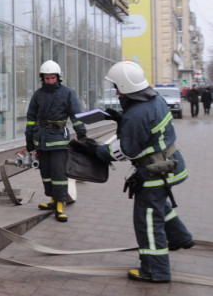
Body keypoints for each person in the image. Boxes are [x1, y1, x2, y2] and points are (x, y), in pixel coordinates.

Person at [71, 61, 193, 283]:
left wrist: (94, 149)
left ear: (127, 88)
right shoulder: (155, 99)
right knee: (159, 205)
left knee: (147, 219)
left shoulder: (136, 114)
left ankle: (155, 271)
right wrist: (119, 119)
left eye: (118, 87)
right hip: (171, 163)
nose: (117, 92)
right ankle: (179, 237)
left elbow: (125, 151)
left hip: (155, 172)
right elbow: (147, 129)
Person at [24, 60, 87, 222]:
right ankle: (52, 201)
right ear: (42, 78)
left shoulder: (67, 93)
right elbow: (31, 119)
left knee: (59, 174)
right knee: (46, 174)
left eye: (53, 78)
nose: (50, 81)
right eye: (47, 78)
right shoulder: (38, 95)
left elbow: (76, 116)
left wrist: (82, 134)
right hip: (42, 141)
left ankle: (60, 205)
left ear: (58, 77)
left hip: (58, 141)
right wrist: (29, 140)